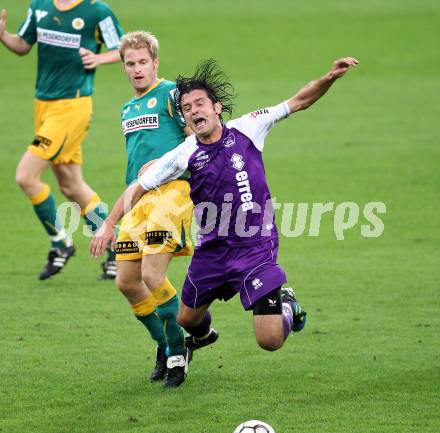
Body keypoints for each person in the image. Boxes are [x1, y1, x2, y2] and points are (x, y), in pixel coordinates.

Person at [92, 56, 359, 358]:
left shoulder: (249, 127)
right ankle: (204, 336)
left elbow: (298, 101)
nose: (194, 111)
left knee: (269, 340)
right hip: (213, 251)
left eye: (200, 104)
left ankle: (287, 305)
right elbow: (137, 188)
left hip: (255, 246)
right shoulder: (183, 154)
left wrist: (330, 78)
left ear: (216, 107)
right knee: (187, 320)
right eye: (187, 108)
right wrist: (108, 224)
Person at [90, 31, 194, 387]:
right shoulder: (127, 108)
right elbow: (135, 168)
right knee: (127, 282)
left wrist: (168, 164)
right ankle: (165, 345)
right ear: (123, 67)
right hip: (137, 198)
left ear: (155, 63)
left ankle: (180, 352)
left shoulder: (171, 95)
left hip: (171, 194)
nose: (137, 69)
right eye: (130, 64)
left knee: (152, 275)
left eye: (143, 62)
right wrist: (110, 223)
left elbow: (199, 138)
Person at [0, 1, 124, 280]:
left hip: (72, 107)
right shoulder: (40, 5)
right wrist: (4, 36)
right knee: (70, 184)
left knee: (26, 176)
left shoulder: (96, 11)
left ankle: (60, 242)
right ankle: (117, 245)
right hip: (42, 105)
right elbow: (22, 44)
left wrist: (99, 58)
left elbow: (124, 47)